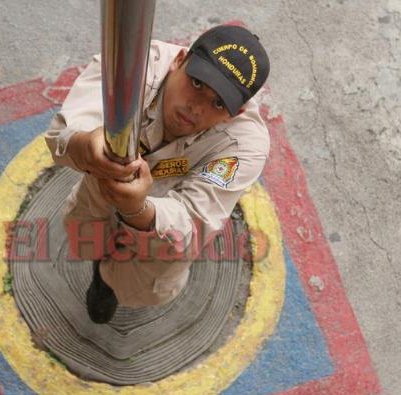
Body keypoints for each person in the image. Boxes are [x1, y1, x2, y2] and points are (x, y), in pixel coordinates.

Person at [45, 25, 271, 323]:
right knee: (89, 239)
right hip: (99, 191)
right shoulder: (132, 65)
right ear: (178, 60)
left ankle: (108, 287)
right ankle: (99, 273)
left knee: (137, 282)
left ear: (237, 113)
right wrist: (87, 146)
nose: (196, 108)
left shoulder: (244, 145)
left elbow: (193, 221)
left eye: (218, 103)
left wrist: (138, 210)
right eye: (197, 83)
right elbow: (65, 130)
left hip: (161, 228)